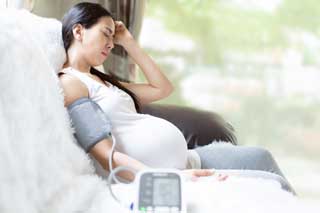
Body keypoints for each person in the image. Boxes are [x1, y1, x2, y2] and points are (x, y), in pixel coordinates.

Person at [58, 2, 295, 193]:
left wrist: (128, 42)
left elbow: (162, 88)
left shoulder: (105, 81)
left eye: (113, 38)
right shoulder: (72, 83)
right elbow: (105, 156)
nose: (111, 44)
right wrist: (169, 179)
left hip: (188, 161)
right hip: (165, 174)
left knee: (261, 157)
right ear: (78, 31)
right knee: (274, 185)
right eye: (106, 34)